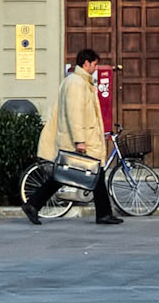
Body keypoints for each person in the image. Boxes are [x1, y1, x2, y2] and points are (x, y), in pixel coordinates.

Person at [21, 47, 120, 226]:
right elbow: (75, 114)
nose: (95, 68)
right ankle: (34, 204)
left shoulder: (79, 81)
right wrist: (79, 140)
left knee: (78, 175)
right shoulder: (76, 83)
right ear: (86, 63)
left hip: (84, 138)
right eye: (94, 65)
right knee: (72, 175)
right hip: (83, 140)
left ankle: (103, 213)